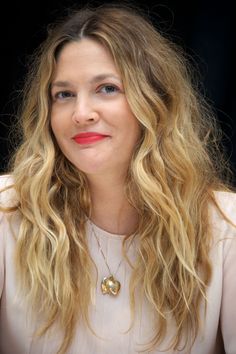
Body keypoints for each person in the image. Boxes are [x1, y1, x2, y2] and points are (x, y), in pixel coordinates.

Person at [0, 3, 235, 354]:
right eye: (63, 95)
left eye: (107, 88)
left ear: (155, 101)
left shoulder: (226, 226)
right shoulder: (7, 211)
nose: (81, 113)